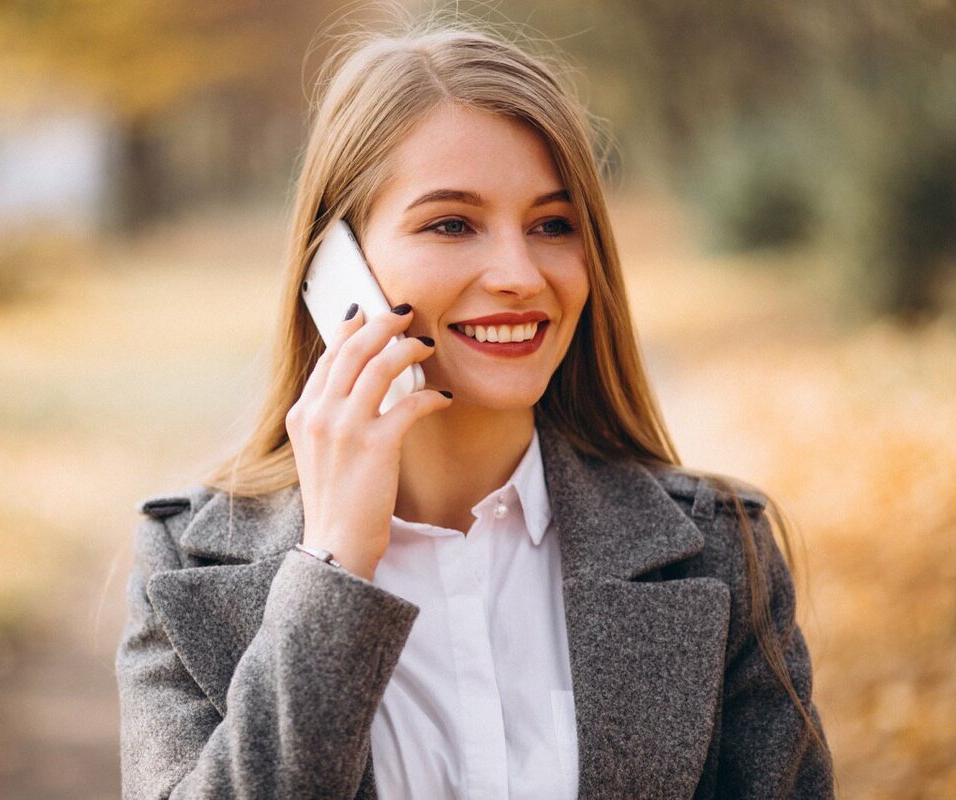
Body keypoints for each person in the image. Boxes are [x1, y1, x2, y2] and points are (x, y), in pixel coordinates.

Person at [115, 22, 834, 800]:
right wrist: (331, 573)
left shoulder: (723, 553)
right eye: (452, 223)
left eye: (552, 225)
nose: (520, 274)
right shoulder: (187, 562)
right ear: (337, 267)